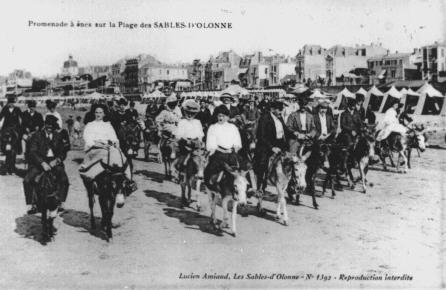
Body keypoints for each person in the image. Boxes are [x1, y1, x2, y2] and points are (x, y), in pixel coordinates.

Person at [23, 115, 69, 215]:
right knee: (27, 180)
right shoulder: (37, 135)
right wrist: (42, 163)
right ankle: (30, 204)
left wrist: (57, 160)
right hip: (39, 163)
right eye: (47, 127)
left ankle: (62, 202)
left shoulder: (58, 136)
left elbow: (63, 152)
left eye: (51, 127)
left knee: (64, 180)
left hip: (54, 162)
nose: (49, 129)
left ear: (54, 127)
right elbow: (33, 151)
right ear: (44, 125)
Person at [254, 100, 294, 192]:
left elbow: (286, 131)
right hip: (266, 145)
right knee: (263, 163)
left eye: (282, 109)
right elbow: (262, 136)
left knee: (290, 162)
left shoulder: (279, 118)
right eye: (279, 109)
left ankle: (290, 184)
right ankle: (260, 185)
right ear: (272, 109)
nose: (281, 112)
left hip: (279, 144)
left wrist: (296, 134)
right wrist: (272, 147)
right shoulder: (264, 118)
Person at [204, 105, 246, 188]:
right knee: (211, 168)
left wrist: (234, 150)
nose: (221, 118)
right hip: (218, 153)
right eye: (219, 116)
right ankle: (210, 185)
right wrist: (223, 151)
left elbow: (237, 142)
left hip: (231, 153)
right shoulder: (213, 127)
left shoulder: (233, 127)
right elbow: (211, 144)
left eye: (223, 116)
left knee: (244, 166)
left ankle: (247, 187)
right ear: (216, 116)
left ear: (227, 117)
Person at [174, 100, 204, 174]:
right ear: (185, 112)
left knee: (201, 158)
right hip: (184, 143)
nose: (190, 115)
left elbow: (200, 134)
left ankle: (199, 172)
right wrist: (186, 140)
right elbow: (179, 134)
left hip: (195, 143)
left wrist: (199, 141)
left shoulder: (197, 122)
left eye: (192, 114)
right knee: (183, 159)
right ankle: (180, 171)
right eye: (188, 113)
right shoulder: (182, 122)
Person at [156, 95, 182, 159]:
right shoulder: (164, 112)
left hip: (175, 126)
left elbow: (180, 119)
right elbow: (158, 120)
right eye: (171, 104)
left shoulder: (177, 110)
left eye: (174, 104)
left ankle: (178, 151)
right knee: (166, 136)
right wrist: (160, 127)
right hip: (167, 126)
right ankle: (162, 151)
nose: (172, 106)